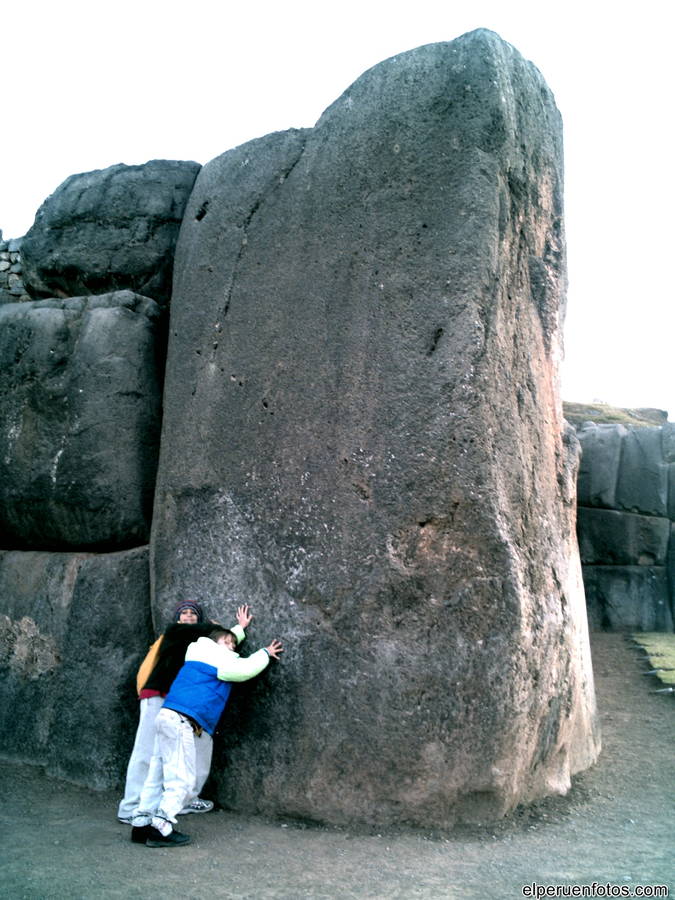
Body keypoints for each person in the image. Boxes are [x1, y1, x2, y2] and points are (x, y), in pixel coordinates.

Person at [130, 622, 283, 847]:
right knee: (183, 778)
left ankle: (141, 823)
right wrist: (265, 653)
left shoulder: (196, 651)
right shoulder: (221, 660)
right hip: (183, 720)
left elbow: (222, 644)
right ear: (215, 643)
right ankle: (161, 826)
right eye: (227, 643)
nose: (232, 647)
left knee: (158, 772)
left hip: (166, 716)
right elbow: (244, 669)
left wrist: (237, 630)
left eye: (234, 644)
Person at [117, 600, 250, 824]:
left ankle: (185, 801)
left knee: (197, 748)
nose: (188, 616)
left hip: (184, 704)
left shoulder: (202, 644)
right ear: (177, 618)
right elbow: (213, 636)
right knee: (148, 750)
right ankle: (131, 807)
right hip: (158, 694)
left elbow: (221, 643)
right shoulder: (175, 631)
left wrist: (239, 629)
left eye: (193, 614)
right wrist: (215, 627)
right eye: (184, 613)